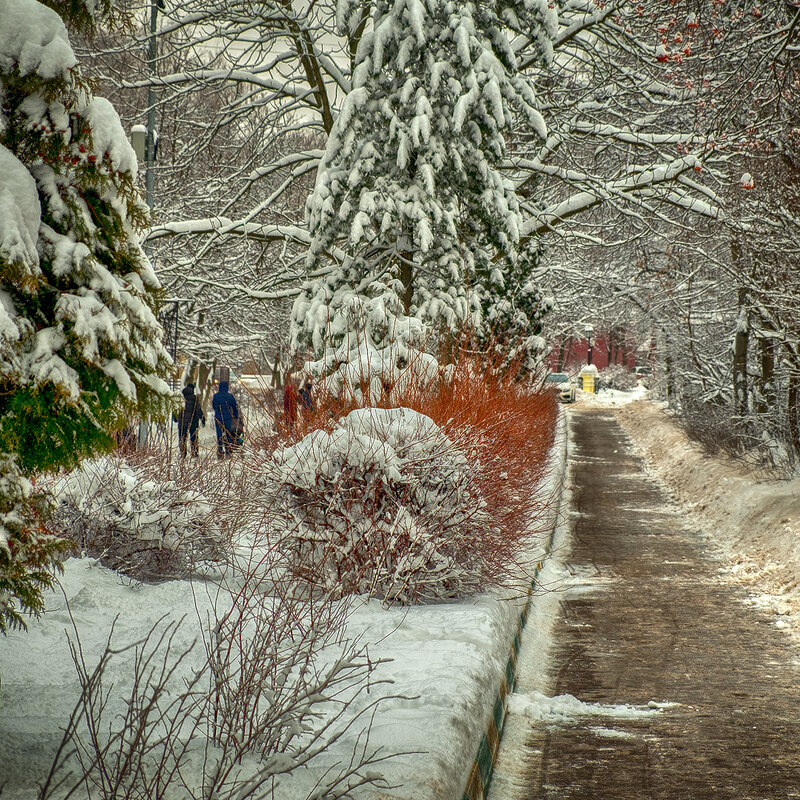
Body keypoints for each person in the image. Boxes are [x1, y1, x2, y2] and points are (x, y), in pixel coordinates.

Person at [212, 380, 240, 458]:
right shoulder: (230, 396)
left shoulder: (216, 396)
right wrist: (235, 416)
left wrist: (218, 412)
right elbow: (234, 407)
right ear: (227, 387)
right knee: (228, 434)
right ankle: (228, 451)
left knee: (219, 435)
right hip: (228, 418)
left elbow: (214, 406)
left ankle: (220, 451)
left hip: (218, 418)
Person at [177, 383, 205, 458]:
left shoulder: (181, 398)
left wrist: (175, 418)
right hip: (193, 421)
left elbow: (176, 409)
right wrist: (202, 419)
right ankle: (194, 453)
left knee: (182, 438)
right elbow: (198, 409)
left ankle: (183, 454)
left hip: (182, 422)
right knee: (194, 438)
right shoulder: (194, 398)